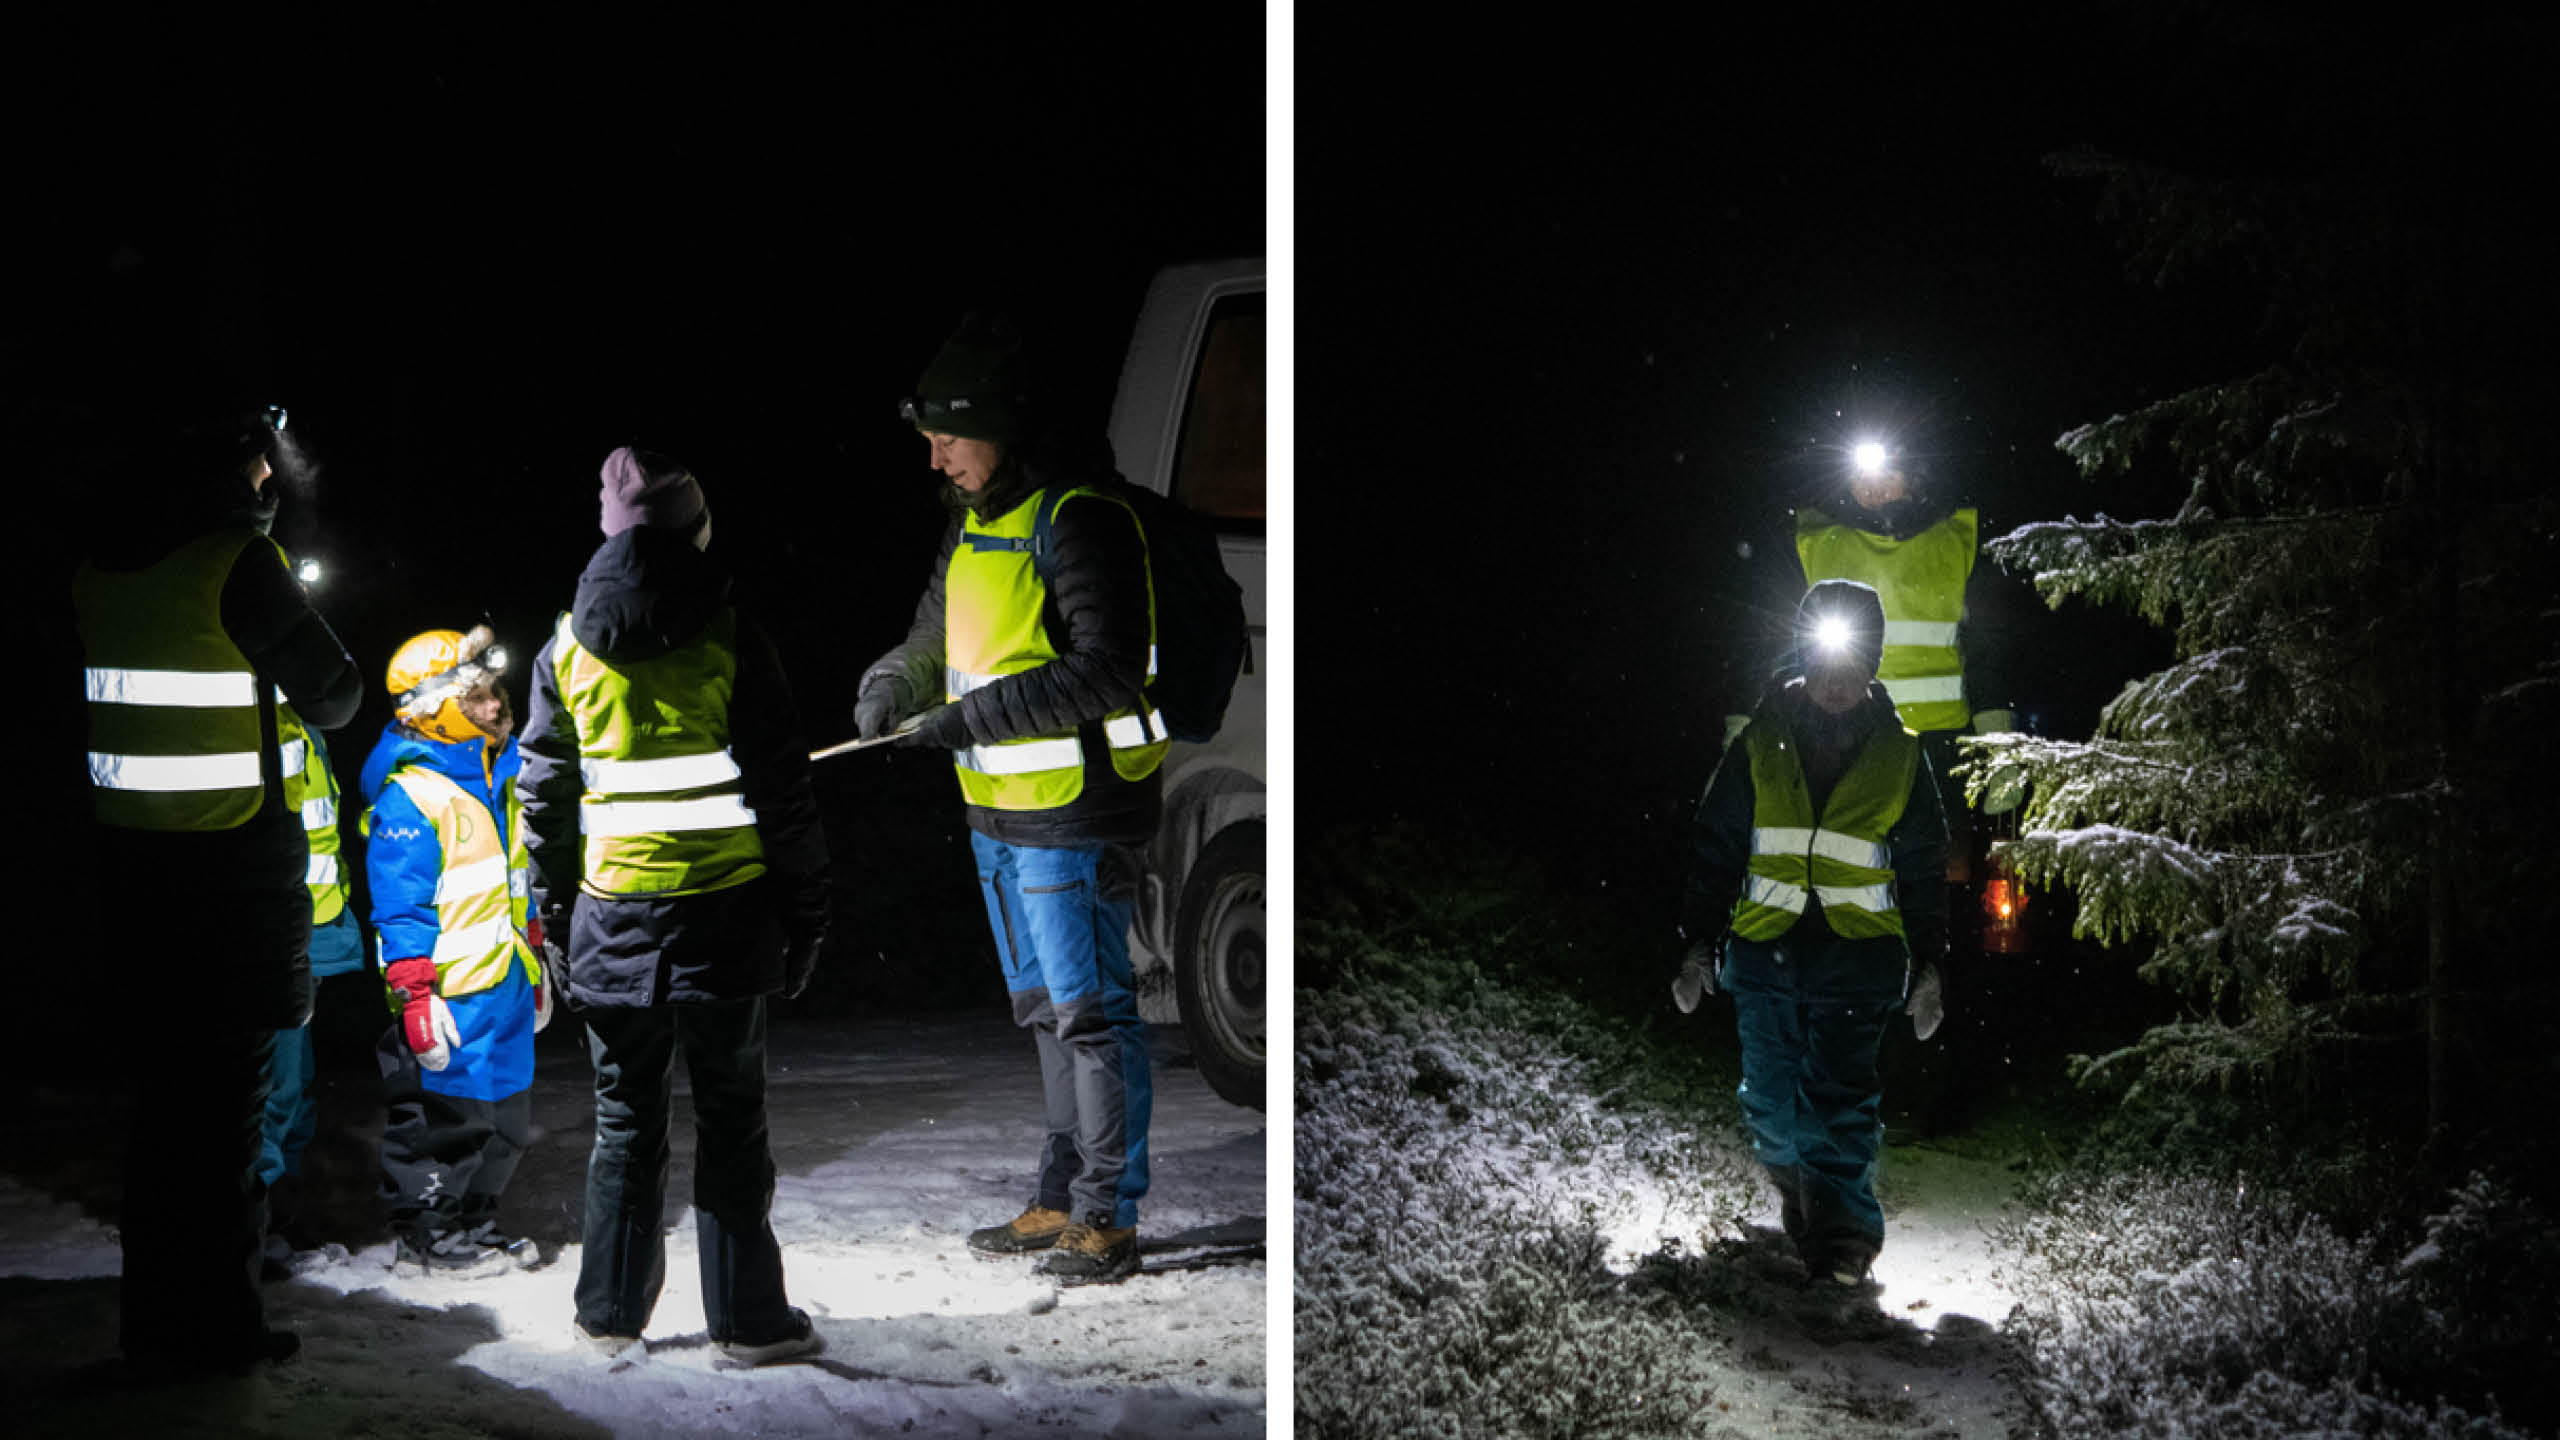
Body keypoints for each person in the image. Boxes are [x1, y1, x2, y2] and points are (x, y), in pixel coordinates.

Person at [854, 312, 1164, 1285]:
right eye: (929, 438)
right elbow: (933, 636)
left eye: (950, 436)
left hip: (1072, 819)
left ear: (1003, 428)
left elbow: (1107, 668)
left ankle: (1107, 1214)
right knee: (1043, 1011)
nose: (936, 457)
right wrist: (892, 685)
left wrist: (965, 719)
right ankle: (1061, 1196)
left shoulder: (1082, 519)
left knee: (1091, 1015)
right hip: (997, 812)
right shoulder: (975, 522)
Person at [518, 446, 832, 1366]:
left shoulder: (565, 646)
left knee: (626, 1118)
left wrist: (555, 918)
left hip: (612, 916)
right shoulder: (733, 634)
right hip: (725, 915)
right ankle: (748, 1323)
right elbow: (784, 794)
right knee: (732, 1115)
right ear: (697, 531)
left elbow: (545, 801)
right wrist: (807, 911)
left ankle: (609, 1316)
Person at [71, 400, 362, 1374]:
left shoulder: (99, 570)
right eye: (257, 472)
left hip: (135, 881)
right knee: (225, 1128)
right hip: (229, 880)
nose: (270, 483)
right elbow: (336, 694)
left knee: (161, 1123)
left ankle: (154, 1330)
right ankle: (221, 1334)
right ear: (223, 476)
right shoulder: (234, 562)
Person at [1674, 580, 1948, 1289]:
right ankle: (1805, 1198)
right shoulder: (1758, 742)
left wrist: (1929, 965)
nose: (1837, 681)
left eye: (1854, 664)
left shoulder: (1902, 756)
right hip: (1764, 952)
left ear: (1874, 665)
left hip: (1859, 962)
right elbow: (1717, 845)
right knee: (1769, 1101)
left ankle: (1843, 1241)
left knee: (1839, 1103)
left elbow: (1922, 867)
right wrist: (1698, 942)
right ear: (1804, 658)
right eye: (1825, 663)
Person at [356, 623, 550, 1271]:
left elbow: (515, 882)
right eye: (477, 697)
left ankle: (475, 1222)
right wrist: (415, 994)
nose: (495, 706)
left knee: (506, 1122)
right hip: (450, 996)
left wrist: (534, 954)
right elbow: (399, 906)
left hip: (506, 983)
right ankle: (427, 1238)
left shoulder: (498, 779)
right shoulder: (412, 795)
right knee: (445, 1121)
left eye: (496, 693)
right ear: (434, 709)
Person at [258, 713, 365, 1267]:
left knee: (293, 1089)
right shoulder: (261, 714)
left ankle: (282, 1222)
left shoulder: (301, 723)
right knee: (271, 1091)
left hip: (307, 931)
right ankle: (258, 1231)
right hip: (273, 936)